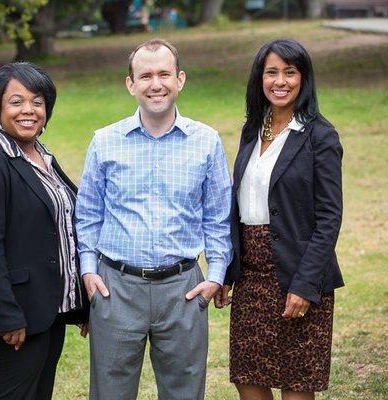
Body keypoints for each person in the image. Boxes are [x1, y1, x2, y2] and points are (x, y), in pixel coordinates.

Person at [75, 38, 233, 400]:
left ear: (180, 79)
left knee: (184, 392)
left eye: (164, 73)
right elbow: (88, 215)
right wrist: (88, 270)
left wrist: (216, 275)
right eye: (145, 75)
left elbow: (217, 216)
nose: (156, 84)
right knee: (110, 392)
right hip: (116, 287)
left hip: (183, 289)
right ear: (131, 84)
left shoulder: (206, 141)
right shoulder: (105, 141)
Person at [215, 39, 344, 400]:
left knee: (296, 383)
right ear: (260, 78)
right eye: (271, 72)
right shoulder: (252, 130)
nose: (280, 81)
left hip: (298, 275)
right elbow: (240, 205)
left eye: (290, 72)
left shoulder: (321, 135)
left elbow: (330, 216)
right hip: (252, 277)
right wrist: (227, 270)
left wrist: (305, 284)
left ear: (304, 79)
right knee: (248, 378)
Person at [0, 62, 89, 400]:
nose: (29, 110)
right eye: (16, 102)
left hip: (49, 312)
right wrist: (8, 315)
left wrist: (82, 303)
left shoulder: (43, 157)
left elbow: (63, 233)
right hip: (16, 319)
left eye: (38, 101)